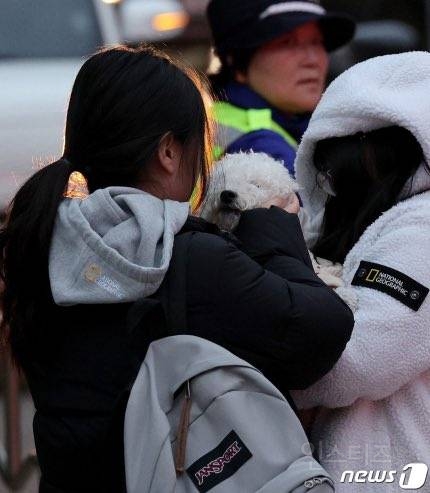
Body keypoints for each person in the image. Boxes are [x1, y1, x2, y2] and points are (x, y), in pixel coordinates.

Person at [0, 45, 353, 493]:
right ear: (169, 152)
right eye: (198, 146)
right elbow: (323, 331)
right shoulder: (185, 258)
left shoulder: (42, 242)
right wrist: (276, 235)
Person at [291, 52, 430, 491]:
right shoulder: (394, 222)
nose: (329, 176)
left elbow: (359, 358)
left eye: (342, 149)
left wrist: (266, 372)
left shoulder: (419, 231)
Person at [206, 0, 355, 173]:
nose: (312, 60)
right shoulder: (261, 148)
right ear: (238, 62)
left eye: (316, 42)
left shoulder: (220, 115)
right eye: (287, 43)